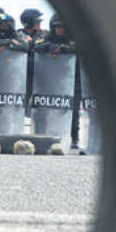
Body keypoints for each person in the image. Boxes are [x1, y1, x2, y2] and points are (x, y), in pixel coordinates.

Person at [34, 13, 81, 149]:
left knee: (72, 111)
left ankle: (73, 138)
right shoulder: (46, 38)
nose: (60, 29)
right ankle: (43, 134)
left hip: (72, 82)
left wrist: (62, 49)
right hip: (50, 82)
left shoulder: (73, 40)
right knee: (45, 110)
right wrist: (49, 47)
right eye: (57, 27)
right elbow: (36, 46)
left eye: (63, 27)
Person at [18, 8, 47, 117]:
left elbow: (44, 45)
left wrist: (32, 44)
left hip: (39, 73)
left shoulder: (41, 36)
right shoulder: (18, 34)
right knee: (22, 101)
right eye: (37, 22)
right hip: (22, 74)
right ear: (29, 23)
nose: (39, 25)